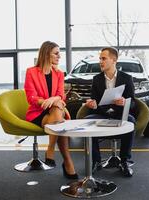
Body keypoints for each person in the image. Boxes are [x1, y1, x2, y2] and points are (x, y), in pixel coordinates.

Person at [24, 41, 78, 179]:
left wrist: (53, 100)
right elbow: (31, 97)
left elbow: (61, 95)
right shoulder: (31, 72)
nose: (59, 56)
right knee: (60, 119)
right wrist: (47, 101)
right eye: (56, 53)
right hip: (38, 112)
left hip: (54, 112)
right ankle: (67, 162)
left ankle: (52, 150)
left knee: (57, 112)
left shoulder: (59, 74)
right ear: (46, 54)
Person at [84, 47, 136, 177]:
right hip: (102, 113)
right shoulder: (97, 79)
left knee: (130, 120)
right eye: (100, 58)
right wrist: (92, 104)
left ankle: (124, 161)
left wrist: (124, 102)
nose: (100, 61)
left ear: (114, 60)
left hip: (120, 114)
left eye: (103, 58)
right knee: (87, 120)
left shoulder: (127, 78)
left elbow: (134, 103)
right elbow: (94, 100)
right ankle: (96, 161)